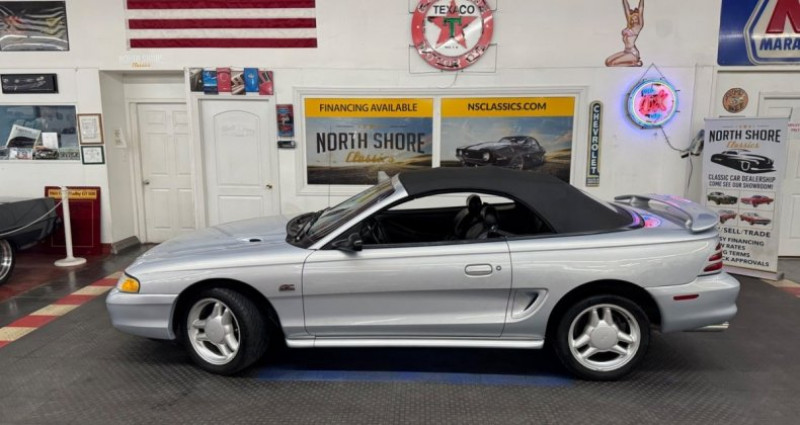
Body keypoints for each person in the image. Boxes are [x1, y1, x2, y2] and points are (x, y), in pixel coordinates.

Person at [605, 0, 644, 67]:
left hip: (633, 54)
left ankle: (634, 63)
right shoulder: (629, 26)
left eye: (637, 18)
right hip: (626, 51)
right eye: (634, 18)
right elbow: (626, 9)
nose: (635, 20)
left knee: (612, 64)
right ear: (631, 19)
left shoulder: (638, 27)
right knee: (607, 61)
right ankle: (633, 62)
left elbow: (641, 10)